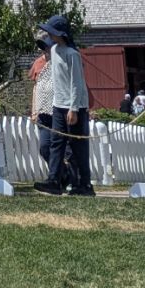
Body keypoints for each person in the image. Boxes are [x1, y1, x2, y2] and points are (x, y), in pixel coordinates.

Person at [32, 14, 94, 196]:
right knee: (56, 143)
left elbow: (76, 83)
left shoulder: (72, 54)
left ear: (61, 34)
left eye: (52, 32)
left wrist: (73, 108)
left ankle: (84, 184)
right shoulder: (54, 51)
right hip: (58, 105)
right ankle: (54, 180)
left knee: (77, 146)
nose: (49, 35)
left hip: (75, 107)